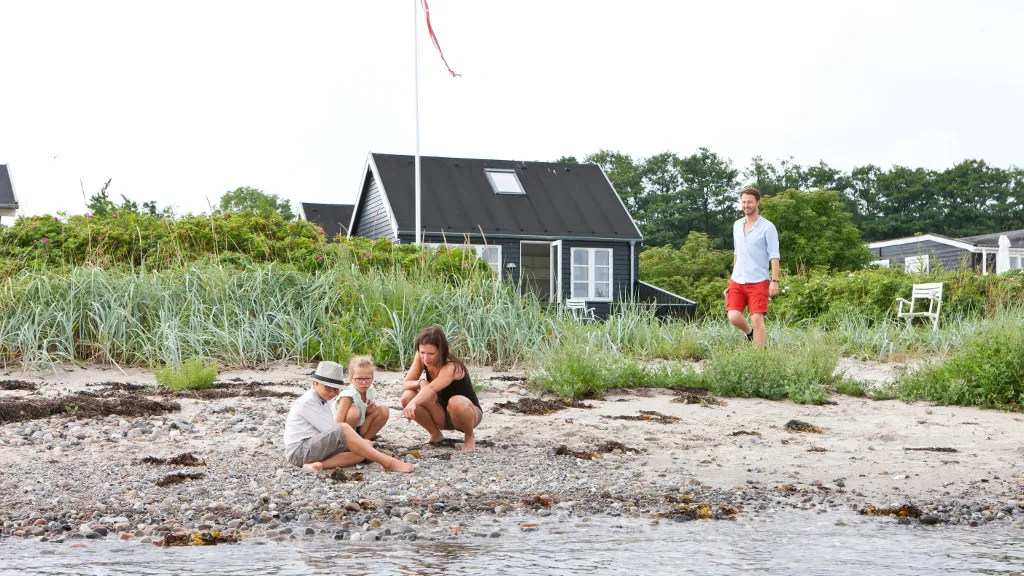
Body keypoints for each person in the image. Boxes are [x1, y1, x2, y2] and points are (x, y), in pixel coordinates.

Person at [283, 360, 413, 473]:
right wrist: (359, 441)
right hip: (299, 452)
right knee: (347, 431)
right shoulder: (307, 402)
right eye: (328, 388)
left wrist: (360, 444)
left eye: (336, 389)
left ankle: (317, 465)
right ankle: (388, 463)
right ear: (315, 383)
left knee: (361, 454)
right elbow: (333, 430)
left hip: (313, 447)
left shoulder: (323, 399)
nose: (332, 393)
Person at [400, 326, 483, 451]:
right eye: (422, 353)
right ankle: (435, 434)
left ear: (441, 351)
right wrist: (421, 382)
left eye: (431, 354)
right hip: (440, 413)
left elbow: (432, 389)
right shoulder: (422, 356)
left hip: (467, 414)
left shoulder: (451, 366)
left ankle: (469, 437)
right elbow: (406, 383)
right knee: (407, 396)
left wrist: (414, 403)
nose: (426, 358)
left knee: (456, 401)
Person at [725, 187, 780, 348]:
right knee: (733, 316)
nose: (746, 205)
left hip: (758, 280)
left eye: (749, 202)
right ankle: (750, 334)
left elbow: (774, 255)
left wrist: (774, 281)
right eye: (743, 202)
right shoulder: (736, 225)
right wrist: (731, 278)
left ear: (757, 203)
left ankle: (759, 357)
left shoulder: (767, 227)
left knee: (757, 318)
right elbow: (737, 252)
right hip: (738, 279)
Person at [333, 355, 389, 441]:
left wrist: (368, 411)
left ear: (372, 378)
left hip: (360, 426)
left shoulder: (370, 390)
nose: (364, 382)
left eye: (368, 379)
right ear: (351, 379)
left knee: (383, 410)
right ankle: (350, 443)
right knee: (354, 411)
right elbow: (337, 423)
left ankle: (366, 440)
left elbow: (363, 414)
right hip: (345, 430)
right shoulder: (347, 396)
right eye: (359, 379)